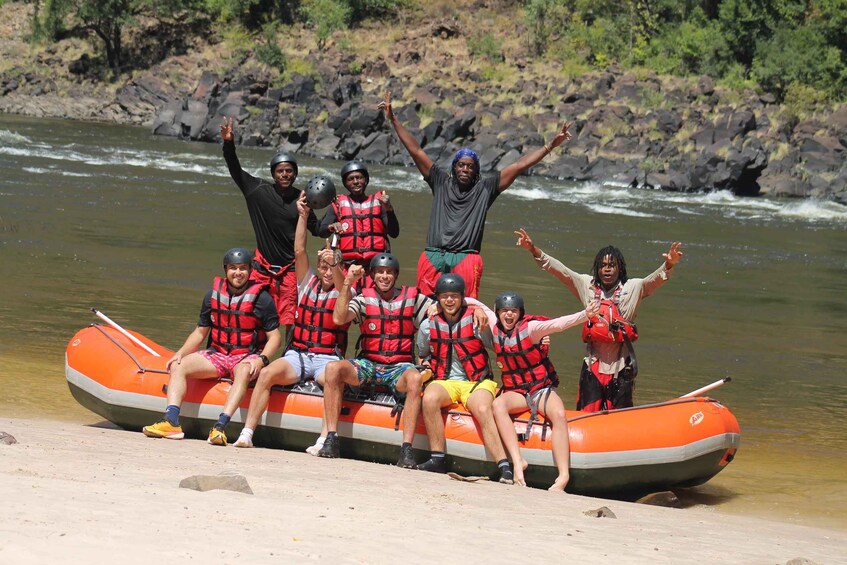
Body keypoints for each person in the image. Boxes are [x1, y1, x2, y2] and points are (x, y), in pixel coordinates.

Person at [378, 90, 572, 298]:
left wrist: (550, 144)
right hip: (434, 254)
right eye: (461, 165)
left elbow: (519, 165)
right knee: (426, 311)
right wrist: (393, 119)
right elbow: (416, 151)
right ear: (454, 168)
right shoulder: (440, 181)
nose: (465, 170)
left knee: (466, 311)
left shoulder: (485, 189)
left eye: (470, 167)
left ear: (476, 171)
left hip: (465, 258)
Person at [515, 228, 683, 412]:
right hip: (592, 365)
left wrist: (668, 265)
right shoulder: (586, 285)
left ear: (620, 268)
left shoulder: (634, 287)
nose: (607, 269)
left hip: (622, 367)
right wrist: (533, 250)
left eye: (612, 265)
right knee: (586, 413)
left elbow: (654, 281)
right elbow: (560, 271)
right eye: (603, 265)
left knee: (621, 416)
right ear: (597, 268)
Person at [233, 193, 350, 451]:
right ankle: (247, 433)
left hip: (327, 357)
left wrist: (336, 260)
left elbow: (342, 287)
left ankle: (323, 439)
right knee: (266, 374)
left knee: (334, 379)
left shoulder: (344, 291)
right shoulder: (307, 283)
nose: (326, 270)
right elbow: (299, 250)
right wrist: (303, 216)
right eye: (323, 266)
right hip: (299, 354)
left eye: (330, 267)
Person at [142, 248, 282, 445]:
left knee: (243, 371)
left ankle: (220, 427)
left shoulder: (262, 299)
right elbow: (200, 331)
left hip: (246, 356)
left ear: (250, 270)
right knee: (178, 366)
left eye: (243, 268)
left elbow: (275, 337)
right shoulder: (212, 296)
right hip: (218, 354)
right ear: (225, 270)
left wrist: (262, 359)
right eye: (233, 268)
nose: (238, 273)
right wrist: (180, 353)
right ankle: (171, 422)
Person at [470, 291, 598, 490]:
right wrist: (440, 305)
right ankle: (518, 461)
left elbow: (558, 324)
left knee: (558, 414)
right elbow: (472, 301)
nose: (509, 315)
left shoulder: (530, 329)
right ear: (498, 312)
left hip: (540, 389)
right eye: (504, 311)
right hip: (517, 391)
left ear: (520, 313)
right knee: (498, 405)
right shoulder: (494, 325)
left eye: (513, 311)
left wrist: (585, 314)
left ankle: (563, 477)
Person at [316, 253, 433, 468]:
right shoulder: (362, 298)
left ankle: (407, 449)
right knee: (333, 368)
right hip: (369, 364)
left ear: (396, 275)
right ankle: (331, 437)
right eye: (380, 272)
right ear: (372, 275)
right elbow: (339, 318)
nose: (385, 276)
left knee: (415, 379)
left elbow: (443, 306)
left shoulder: (414, 298)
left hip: (399, 367)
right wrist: (348, 282)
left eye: (389, 272)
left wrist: (475, 308)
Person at [220, 117, 319, 337]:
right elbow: (235, 169)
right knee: (254, 312)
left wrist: (335, 225)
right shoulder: (258, 191)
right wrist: (228, 144)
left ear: (295, 174)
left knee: (291, 318)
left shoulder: (303, 199)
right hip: (262, 268)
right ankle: (255, 354)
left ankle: (288, 359)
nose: (285, 174)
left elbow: (317, 228)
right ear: (273, 173)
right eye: (280, 171)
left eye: (289, 171)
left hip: (290, 270)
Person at [416, 274, 513, 483]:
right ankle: (437, 458)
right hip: (445, 381)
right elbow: (423, 354)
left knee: (483, 408)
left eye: (454, 296)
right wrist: (424, 366)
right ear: (438, 299)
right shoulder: (427, 326)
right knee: (430, 398)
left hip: (477, 381)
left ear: (462, 298)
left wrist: (480, 310)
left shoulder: (478, 322)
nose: (449, 301)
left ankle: (504, 466)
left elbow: (501, 343)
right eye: (444, 297)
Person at [317, 160, 400, 290]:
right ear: (345, 183)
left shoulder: (380, 203)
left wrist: (389, 209)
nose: (356, 181)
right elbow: (321, 230)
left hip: (374, 271)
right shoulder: (338, 204)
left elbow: (394, 233)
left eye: (359, 177)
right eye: (351, 179)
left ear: (366, 180)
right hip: (347, 269)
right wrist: (331, 226)